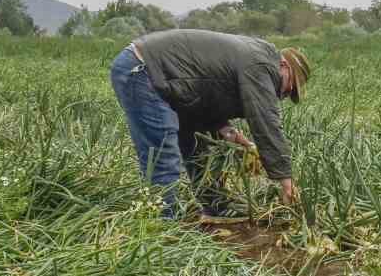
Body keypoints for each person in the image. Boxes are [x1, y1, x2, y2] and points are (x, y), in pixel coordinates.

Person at [109, 29, 310, 219]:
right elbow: (265, 121)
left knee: (200, 146)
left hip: (166, 81)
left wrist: (243, 142)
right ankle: (158, 229)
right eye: (290, 85)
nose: (286, 93)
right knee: (163, 157)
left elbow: (209, 105)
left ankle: (216, 208)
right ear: (283, 65)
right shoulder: (262, 64)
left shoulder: (255, 59)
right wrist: (286, 180)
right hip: (143, 71)